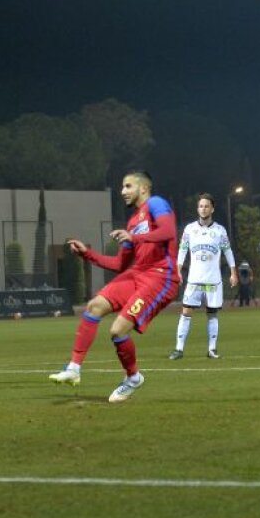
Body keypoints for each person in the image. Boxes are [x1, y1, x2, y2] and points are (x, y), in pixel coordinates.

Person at [49, 170, 180, 403]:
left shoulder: (156, 203)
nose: (122, 191)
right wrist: (86, 254)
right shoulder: (132, 222)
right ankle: (73, 369)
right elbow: (120, 264)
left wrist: (134, 238)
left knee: (118, 330)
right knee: (95, 306)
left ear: (143, 188)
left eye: (128, 186)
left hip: (161, 277)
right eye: (122, 187)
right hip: (136, 274)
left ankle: (132, 378)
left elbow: (168, 231)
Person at [170, 194, 238, 360]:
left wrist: (233, 272)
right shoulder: (189, 229)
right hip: (194, 280)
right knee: (186, 312)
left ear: (212, 209)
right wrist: (178, 270)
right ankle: (178, 349)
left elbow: (228, 251)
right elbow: (182, 250)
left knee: (212, 314)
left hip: (213, 280)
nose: (203, 209)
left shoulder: (220, 231)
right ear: (197, 208)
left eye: (206, 206)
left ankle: (212, 349)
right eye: (201, 206)